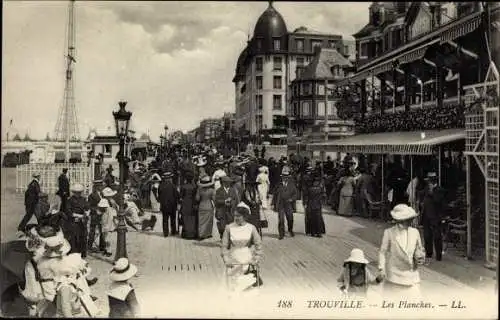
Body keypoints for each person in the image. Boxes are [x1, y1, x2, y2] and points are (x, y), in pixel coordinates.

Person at [378, 204, 425, 298]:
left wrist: (421, 257)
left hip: (412, 276)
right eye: (407, 219)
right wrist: (381, 269)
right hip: (394, 276)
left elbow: (420, 249)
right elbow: (382, 252)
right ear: (399, 220)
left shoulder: (415, 232)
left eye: (410, 219)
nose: (410, 221)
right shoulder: (389, 232)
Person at [221, 202, 263, 291]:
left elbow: (258, 245)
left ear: (245, 216)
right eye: (235, 215)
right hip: (233, 260)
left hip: (247, 259)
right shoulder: (229, 228)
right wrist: (226, 259)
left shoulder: (251, 228)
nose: (236, 218)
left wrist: (255, 259)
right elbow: (224, 246)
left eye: (238, 216)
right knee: (232, 285)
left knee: (247, 286)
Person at [419, 172, 446, 263]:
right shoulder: (426, 189)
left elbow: (437, 201)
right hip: (426, 215)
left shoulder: (439, 190)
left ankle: (438, 255)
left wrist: (431, 192)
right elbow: (421, 194)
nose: (429, 182)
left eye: (430, 180)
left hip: (435, 216)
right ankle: (428, 253)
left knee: (437, 236)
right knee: (427, 236)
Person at [65, 184, 90, 258]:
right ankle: (74, 253)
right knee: (74, 237)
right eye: (76, 192)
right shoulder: (70, 200)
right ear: (73, 192)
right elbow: (68, 211)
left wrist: (87, 212)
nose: (78, 194)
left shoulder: (83, 199)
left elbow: (87, 207)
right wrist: (78, 216)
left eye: (79, 192)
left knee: (83, 237)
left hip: (82, 222)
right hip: (74, 221)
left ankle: (82, 253)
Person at [273, 166, 297, 240]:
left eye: (286, 176)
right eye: (283, 176)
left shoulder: (292, 184)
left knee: (290, 218)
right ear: (282, 177)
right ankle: (281, 234)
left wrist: (291, 199)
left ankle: (290, 230)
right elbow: (275, 195)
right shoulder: (278, 184)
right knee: (281, 219)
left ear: (288, 177)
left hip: (288, 204)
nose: (285, 178)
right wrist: (273, 204)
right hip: (280, 204)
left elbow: (295, 194)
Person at [18, 173, 41, 237]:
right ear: (38, 177)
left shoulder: (32, 183)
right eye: (39, 176)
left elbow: (27, 193)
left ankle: (21, 227)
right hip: (31, 203)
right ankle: (21, 227)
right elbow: (37, 192)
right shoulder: (35, 184)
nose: (40, 177)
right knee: (29, 215)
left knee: (35, 215)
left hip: (30, 202)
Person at [157, 172, 180, 237]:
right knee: (173, 219)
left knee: (165, 219)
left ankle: (165, 233)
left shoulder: (160, 186)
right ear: (170, 178)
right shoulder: (173, 186)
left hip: (164, 205)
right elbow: (177, 195)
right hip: (172, 205)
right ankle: (173, 231)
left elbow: (159, 196)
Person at [196, 175, 216, 240]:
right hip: (209, 206)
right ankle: (208, 233)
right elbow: (214, 199)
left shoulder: (199, 190)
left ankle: (201, 234)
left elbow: (197, 198)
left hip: (201, 206)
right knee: (209, 221)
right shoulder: (211, 190)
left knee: (201, 221)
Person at [180, 171, 198, 239]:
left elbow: (181, 196)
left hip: (185, 203)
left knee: (185, 218)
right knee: (192, 219)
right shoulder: (194, 187)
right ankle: (192, 234)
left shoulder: (183, 187)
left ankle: (186, 233)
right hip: (192, 203)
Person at [87, 179, 104, 253]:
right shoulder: (92, 195)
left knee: (102, 230)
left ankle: (101, 246)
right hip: (95, 215)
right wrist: (96, 210)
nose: (101, 186)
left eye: (101, 185)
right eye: (100, 185)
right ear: (97, 186)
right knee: (92, 231)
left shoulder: (102, 194)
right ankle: (89, 246)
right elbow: (89, 206)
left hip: (102, 215)